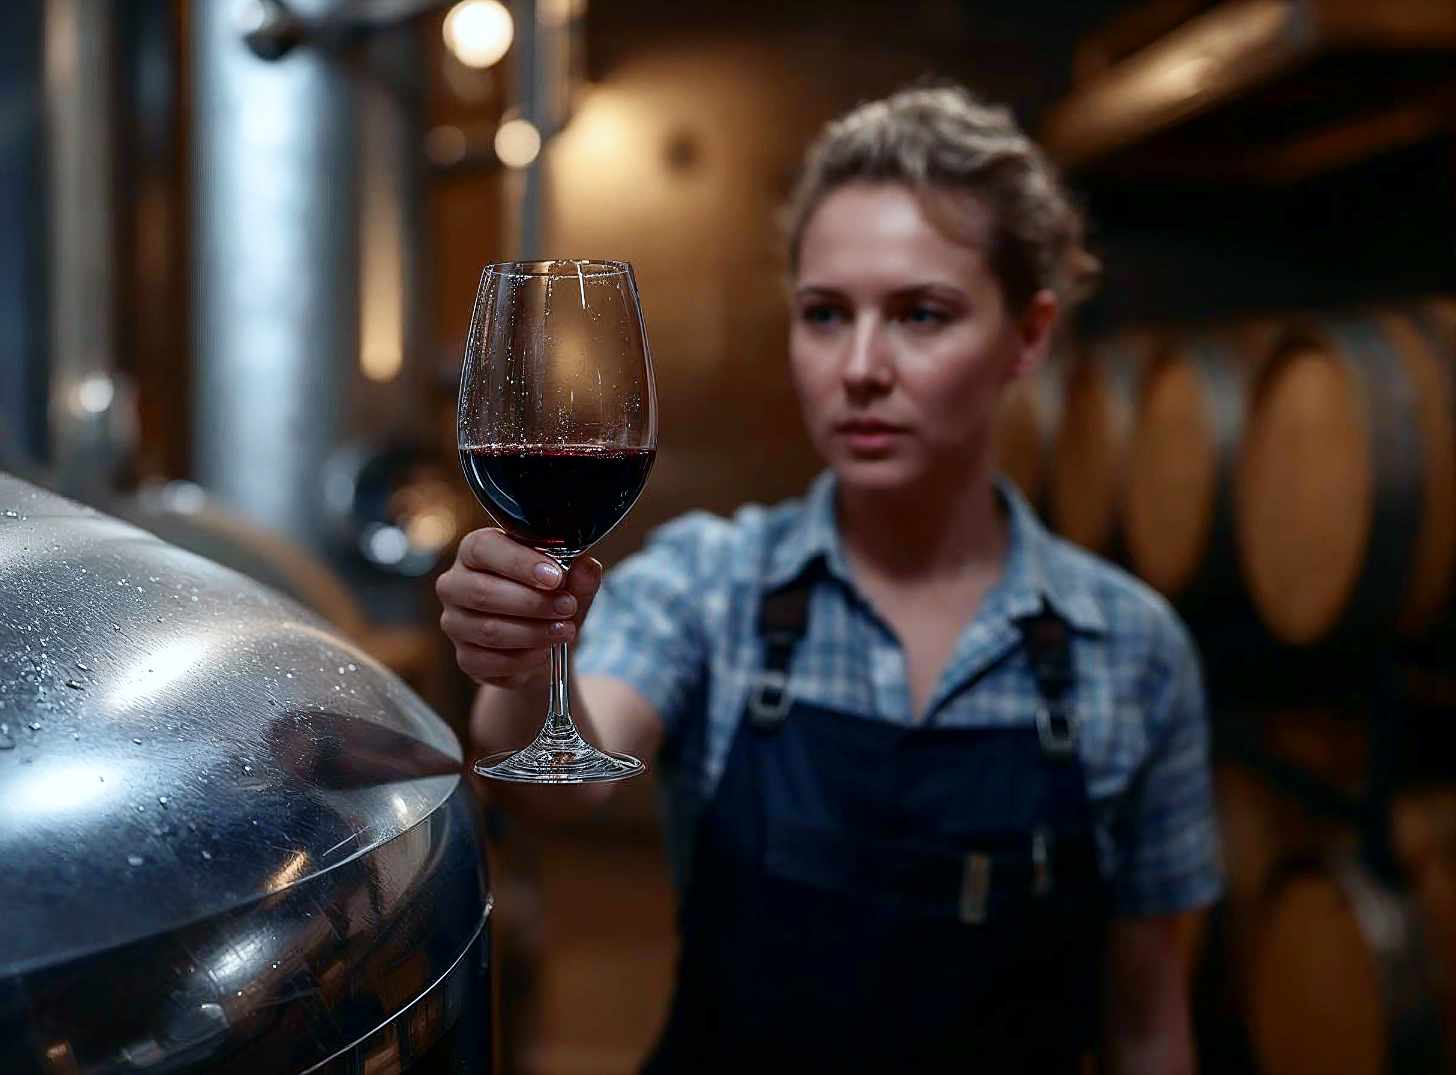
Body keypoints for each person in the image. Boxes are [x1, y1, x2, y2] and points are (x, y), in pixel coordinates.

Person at [435, 84, 1220, 1074]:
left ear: (1028, 335)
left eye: (921, 315)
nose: (859, 366)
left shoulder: (1133, 647)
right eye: (823, 314)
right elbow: (560, 791)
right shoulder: (714, 577)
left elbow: (1148, 1018)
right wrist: (513, 661)